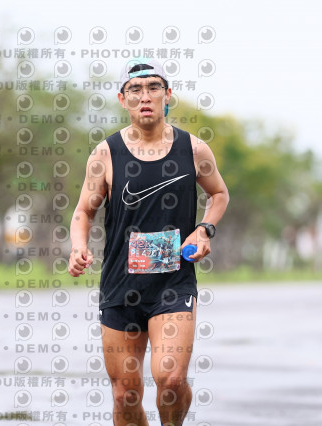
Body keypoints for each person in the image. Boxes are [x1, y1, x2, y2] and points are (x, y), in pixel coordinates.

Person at [69, 58, 229, 426]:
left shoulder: (193, 149)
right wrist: (78, 246)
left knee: (170, 380)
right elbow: (83, 211)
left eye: (153, 87)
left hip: (173, 284)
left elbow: (219, 194)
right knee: (124, 394)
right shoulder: (105, 153)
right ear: (122, 99)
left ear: (167, 95)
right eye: (135, 89)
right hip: (120, 286)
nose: (145, 96)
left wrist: (204, 229)